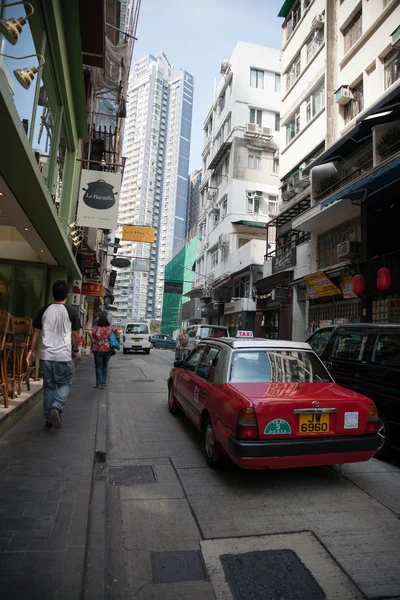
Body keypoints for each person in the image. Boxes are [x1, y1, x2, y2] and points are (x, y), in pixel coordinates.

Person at [27, 280, 81, 430]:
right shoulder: (72, 312)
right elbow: (75, 334)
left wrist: (31, 351)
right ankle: (57, 406)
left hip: (45, 356)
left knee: (49, 387)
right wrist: (75, 350)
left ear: (53, 294)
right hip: (63, 356)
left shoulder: (44, 310)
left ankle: (48, 419)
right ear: (68, 295)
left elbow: (36, 332)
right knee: (65, 384)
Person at [90, 315, 120, 389]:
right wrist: (116, 338)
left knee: (98, 367)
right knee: (104, 366)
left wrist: (92, 340)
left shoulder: (96, 328)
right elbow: (118, 332)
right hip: (108, 350)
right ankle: (104, 383)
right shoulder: (110, 328)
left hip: (98, 349)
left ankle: (98, 384)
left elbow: (89, 332)